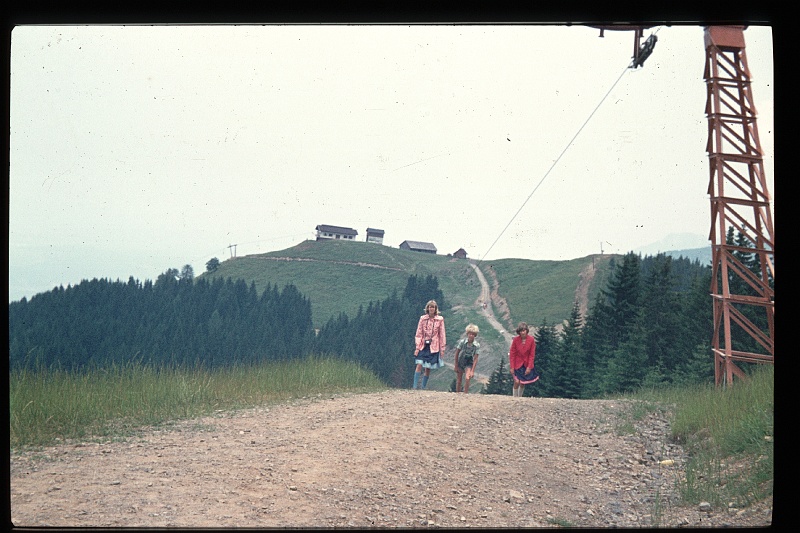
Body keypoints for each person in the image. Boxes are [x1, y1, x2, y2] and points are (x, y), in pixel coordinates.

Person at [412, 300, 446, 390]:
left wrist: (442, 349)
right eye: (430, 307)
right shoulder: (423, 319)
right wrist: (417, 347)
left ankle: (423, 387)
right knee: (419, 364)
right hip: (423, 345)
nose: (431, 308)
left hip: (433, 346)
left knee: (428, 367)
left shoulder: (440, 320)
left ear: (435, 309)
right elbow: (419, 333)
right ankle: (414, 386)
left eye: (433, 307)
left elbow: (442, 334)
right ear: (427, 308)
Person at [508, 322, 538, 397]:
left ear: (527, 331)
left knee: (523, 382)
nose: (523, 332)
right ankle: (514, 397)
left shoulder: (531, 340)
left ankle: (520, 397)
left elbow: (532, 355)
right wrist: (512, 367)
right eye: (521, 331)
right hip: (517, 364)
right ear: (519, 332)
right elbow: (512, 354)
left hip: (526, 364)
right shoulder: (515, 340)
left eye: (524, 330)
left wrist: (529, 367)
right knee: (517, 381)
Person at [453, 324, 480, 393]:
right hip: (461, 360)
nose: (471, 336)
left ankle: (466, 393)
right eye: (470, 334)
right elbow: (457, 353)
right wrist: (456, 365)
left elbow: (476, 358)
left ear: (475, 335)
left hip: (469, 361)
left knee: (467, 378)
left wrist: (472, 370)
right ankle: (458, 394)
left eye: (473, 334)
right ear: (467, 334)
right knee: (459, 380)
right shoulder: (462, 342)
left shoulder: (476, 345)